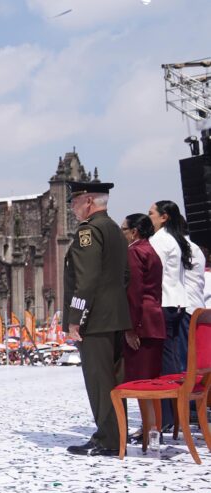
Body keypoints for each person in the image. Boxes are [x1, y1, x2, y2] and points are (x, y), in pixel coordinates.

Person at [64, 181, 131, 456]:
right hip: (116, 315)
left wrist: (75, 317)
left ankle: (108, 439)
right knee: (115, 381)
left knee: (100, 381)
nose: (72, 207)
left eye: (74, 202)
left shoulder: (88, 232)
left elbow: (86, 280)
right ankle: (119, 434)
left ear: (88, 201)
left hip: (95, 319)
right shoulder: (114, 229)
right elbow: (125, 276)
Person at [148, 200, 193, 432]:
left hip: (164, 302)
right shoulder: (176, 239)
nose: (149, 218)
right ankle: (174, 415)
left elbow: (153, 274)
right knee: (172, 360)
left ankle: (165, 417)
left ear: (163, 217)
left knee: (162, 362)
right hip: (177, 302)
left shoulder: (159, 241)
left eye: (151, 213)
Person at [121, 213, 166, 435]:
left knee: (141, 381)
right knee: (150, 379)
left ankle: (151, 428)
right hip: (155, 318)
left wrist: (131, 328)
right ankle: (151, 425)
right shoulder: (152, 251)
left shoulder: (135, 251)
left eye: (123, 229)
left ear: (134, 232)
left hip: (142, 322)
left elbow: (134, 291)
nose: (122, 234)